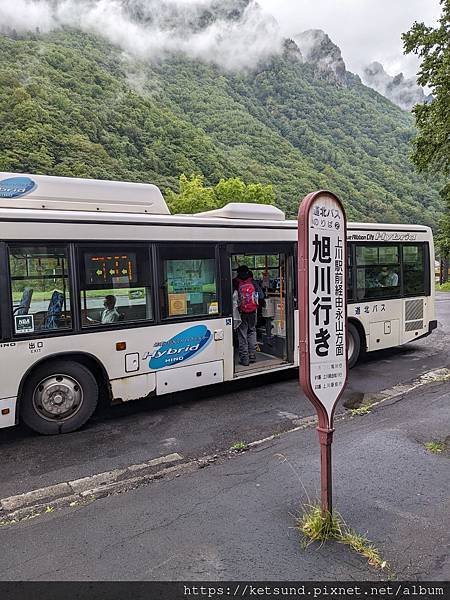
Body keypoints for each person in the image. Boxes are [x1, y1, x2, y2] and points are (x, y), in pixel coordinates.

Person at [233, 265, 264, 366]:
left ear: (238, 273)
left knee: (242, 335)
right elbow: (261, 296)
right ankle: (252, 355)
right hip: (253, 312)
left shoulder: (235, 282)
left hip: (240, 313)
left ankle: (244, 358)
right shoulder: (253, 282)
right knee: (252, 331)